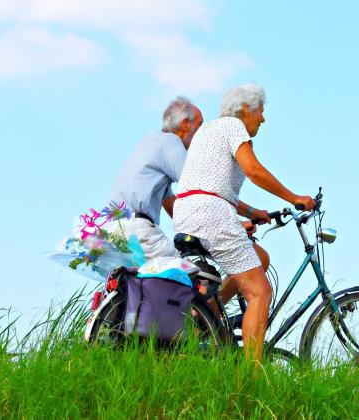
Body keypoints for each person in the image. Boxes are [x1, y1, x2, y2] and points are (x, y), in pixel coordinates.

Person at [173, 84, 316, 361]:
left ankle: (207, 317)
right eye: (261, 111)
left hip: (189, 212)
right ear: (246, 109)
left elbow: (209, 185)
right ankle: (251, 376)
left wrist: (251, 212)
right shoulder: (234, 126)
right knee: (260, 292)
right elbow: (254, 170)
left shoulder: (208, 130)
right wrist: (295, 198)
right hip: (211, 215)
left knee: (259, 258)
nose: (263, 118)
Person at [107, 96, 203, 259]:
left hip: (114, 230)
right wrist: (232, 224)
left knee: (142, 276)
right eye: (200, 125)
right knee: (188, 272)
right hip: (137, 230)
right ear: (186, 124)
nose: (202, 133)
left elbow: (170, 203)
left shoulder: (151, 142)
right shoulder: (171, 141)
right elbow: (199, 186)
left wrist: (198, 229)